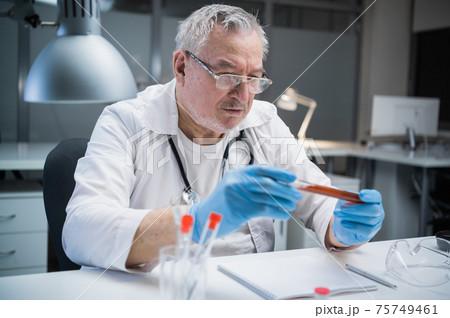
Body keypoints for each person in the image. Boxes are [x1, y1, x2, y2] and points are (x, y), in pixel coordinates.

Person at [62, 4, 384, 272]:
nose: (243, 95)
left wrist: (341, 228)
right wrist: (196, 222)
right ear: (182, 66)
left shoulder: (262, 122)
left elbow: (318, 201)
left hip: (252, 294)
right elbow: (81, 231)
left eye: (254, 78)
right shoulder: (126, 122)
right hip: (160, 294)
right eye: (227, 75)